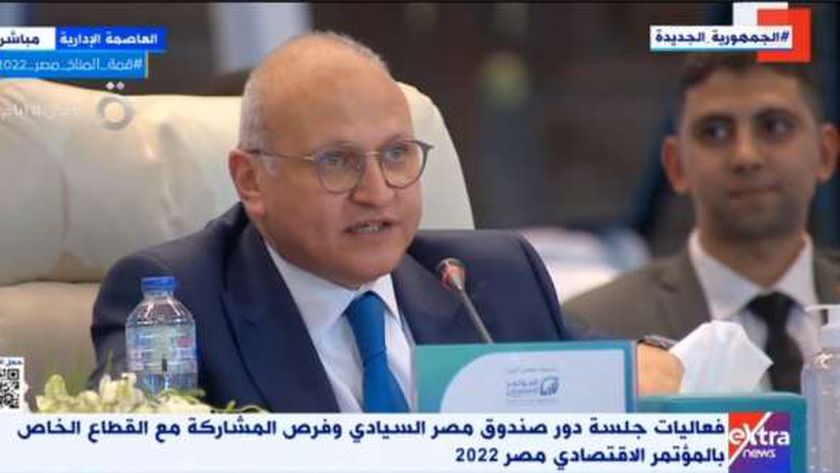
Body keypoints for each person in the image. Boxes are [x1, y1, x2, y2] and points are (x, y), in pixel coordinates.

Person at [91, 32, 681, 412]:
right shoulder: (176, 300)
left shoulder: (490, 277)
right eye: (337, 162)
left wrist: (652, 363)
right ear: (251, 181)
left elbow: (630, 371)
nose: (377, 194)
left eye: (397, 154)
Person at [565, 53, 840, 393]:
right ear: (675, 165)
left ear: (825, 153)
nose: (746, 156)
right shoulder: (594, 332)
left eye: (774, 126)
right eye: (715, 132)